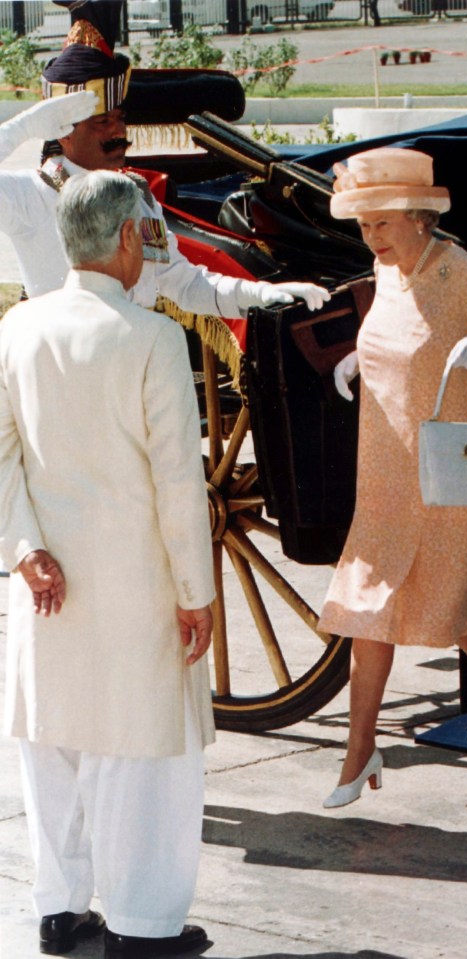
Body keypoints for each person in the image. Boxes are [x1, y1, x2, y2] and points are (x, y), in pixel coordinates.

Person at [0, 170, 217, 955]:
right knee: (145, 756)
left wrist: (24, 550)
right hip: (137, 587)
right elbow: (178, 483)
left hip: (44, 583)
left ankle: (59, 907)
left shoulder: (16, 328)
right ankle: (142, 922)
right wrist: (197, 591)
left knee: (51, 745)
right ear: (128, 238)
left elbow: (1, 457)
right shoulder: (154, 337)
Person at [318, 147, 467, 809]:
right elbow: (393, 334)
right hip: (387, 470)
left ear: (419, 217)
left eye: (381, 224)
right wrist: (358, 362)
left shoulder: (465, 274)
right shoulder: (386, 270)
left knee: (450, 601)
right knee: (370, 607)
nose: (371, 238)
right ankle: (360, 752)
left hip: (449, 471)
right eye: (362, 226)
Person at [0, 0, 329, 313]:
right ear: (63, 131)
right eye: (103, 122)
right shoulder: (31, 194)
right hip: (61, 362)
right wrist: (22, 128)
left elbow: (185, 284)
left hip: (137, 354)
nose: (118, 133)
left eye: (121, 119)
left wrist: (259, 293)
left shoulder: (135, 195)